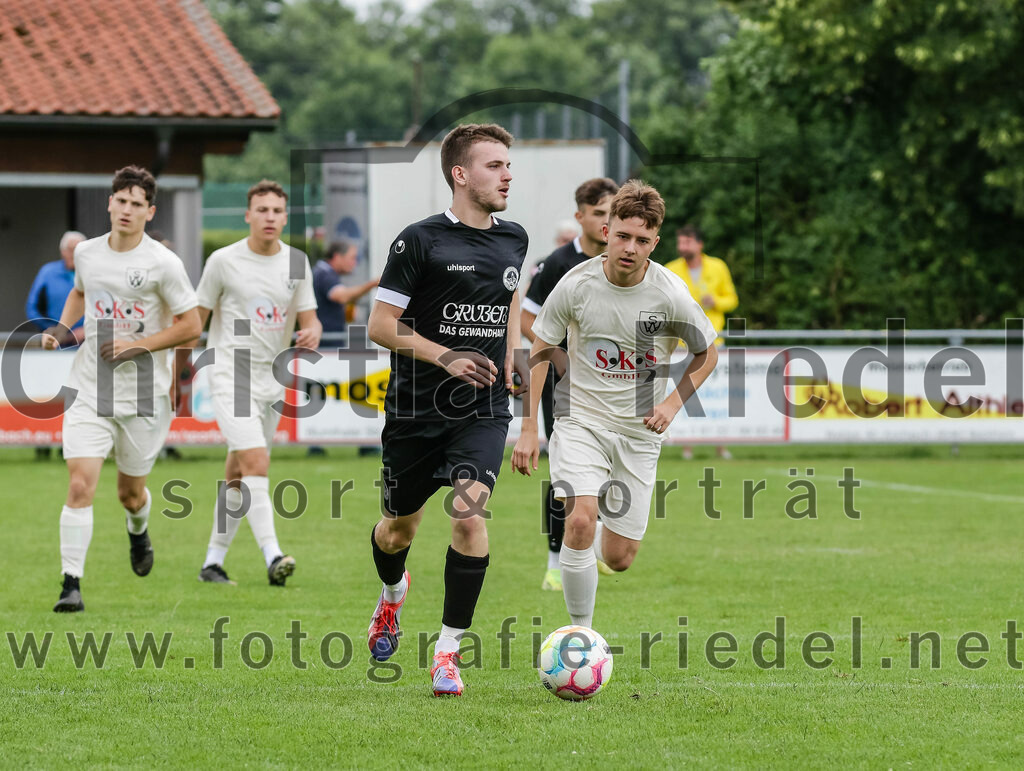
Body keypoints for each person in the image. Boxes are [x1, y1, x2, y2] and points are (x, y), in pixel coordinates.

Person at [365, 123, 528, 696]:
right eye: (494, 165)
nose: (507, 174)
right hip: (414, 413)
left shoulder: (515, 240)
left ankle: (447, 652)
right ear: (460, 174)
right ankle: (391, 598)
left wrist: (509, 363)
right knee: (395, 531)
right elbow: (380, 326)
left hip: (482, 411)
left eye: (508, 164)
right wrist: (447, 356)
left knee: (468, 516)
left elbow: (506, 309)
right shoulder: (419, 240)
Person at [512, 180, 718, 631]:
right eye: (623, 235)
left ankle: (605, 539)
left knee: (620, 558)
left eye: (642, 240)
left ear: (655, 243)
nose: (630, 247)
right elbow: (541, 350)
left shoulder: (670, 294)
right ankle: (579, 637)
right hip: (580, 419)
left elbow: (708, 354)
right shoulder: (576, 284)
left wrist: (671, 404)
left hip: (639, 431)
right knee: (580, 519)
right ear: (607, 231)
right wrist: (530, 428)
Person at [42, 166, 201, 612]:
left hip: (143, 397)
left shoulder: (163, 264)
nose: (127, 209)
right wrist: (60, 328)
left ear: (149, 212)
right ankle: (70, 584)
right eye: (121, 200)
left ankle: (138, 530)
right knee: (80, 485)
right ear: (109, 203)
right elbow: (78, 291)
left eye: (137, 204)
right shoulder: (88, 254)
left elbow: (191, 325)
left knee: (130, 494)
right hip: (89, 388)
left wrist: (140, 345)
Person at [196, 180, 321, 587]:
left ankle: (212, 563)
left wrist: (313, 333)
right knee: (256, 464)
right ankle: (273, 556)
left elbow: (310, 320)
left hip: (272, 380)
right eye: (262, 210)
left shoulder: (297, 263)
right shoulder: (222, 261)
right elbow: (195, 321)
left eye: (277, 211)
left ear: (285, 217)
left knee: (238, 473)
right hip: (230, 375)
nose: (270, 217)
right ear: (248, 215)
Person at [520, 177, 619, 591]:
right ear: (580, 216)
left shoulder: (624, 262)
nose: (606, 222)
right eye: (598, 214)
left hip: (613, 387)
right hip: (565, 389)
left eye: (612, 214)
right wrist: (561, 357)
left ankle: (597, 543)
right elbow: (526, 319)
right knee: (565, 475)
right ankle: (555, 563)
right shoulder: (558, 263)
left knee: (610, 467)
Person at [664, 225, 738, 459]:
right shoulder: (670, 269)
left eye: (687, 242)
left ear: (699, 244)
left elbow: (732, 300)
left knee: (716, 395)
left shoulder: (718, 267)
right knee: (686, 395)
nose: (682, 246)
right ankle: (687, 446)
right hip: (681, 344)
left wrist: (715, 301)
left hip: (713, 342)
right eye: (680, 242)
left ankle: (720, 445)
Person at [309, 238, 380, 457]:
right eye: (351, 258)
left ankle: (319, 443)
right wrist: (374, 283)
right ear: (337, 257)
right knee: (349, 392)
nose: (354, 264)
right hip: (326, 347)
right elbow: (341, 296)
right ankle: (362, 442)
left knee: (332, 395)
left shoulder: (323, 273)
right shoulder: (325, 274)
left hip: (329, 346)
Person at [26, 230, 87, 459]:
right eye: (72, 250)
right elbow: (32, 307)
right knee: (47, 394)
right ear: (63, 251)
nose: (75, 255)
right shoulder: (48, 273)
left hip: (83, 346)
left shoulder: (92, 275)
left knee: (77, 396)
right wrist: (50, 331)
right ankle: (42, 443)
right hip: (54, 348)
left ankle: (68, 444)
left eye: (80, 250)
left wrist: (88, 329)